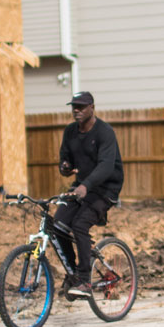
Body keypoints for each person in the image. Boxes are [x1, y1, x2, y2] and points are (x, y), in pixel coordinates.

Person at [56, 91, 122, 299]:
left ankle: (85, 279)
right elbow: (65, 160)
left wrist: (86, 185)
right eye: (74, 106)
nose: (77, 110)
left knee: (79, 224)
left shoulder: (104, 132)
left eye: (81, 106)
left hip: (105, 188)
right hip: (82, 186)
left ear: (92, 107)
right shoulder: (70, 132)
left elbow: (106, 166)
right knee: (57, 225)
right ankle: (74, 273)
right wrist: (65, 168)